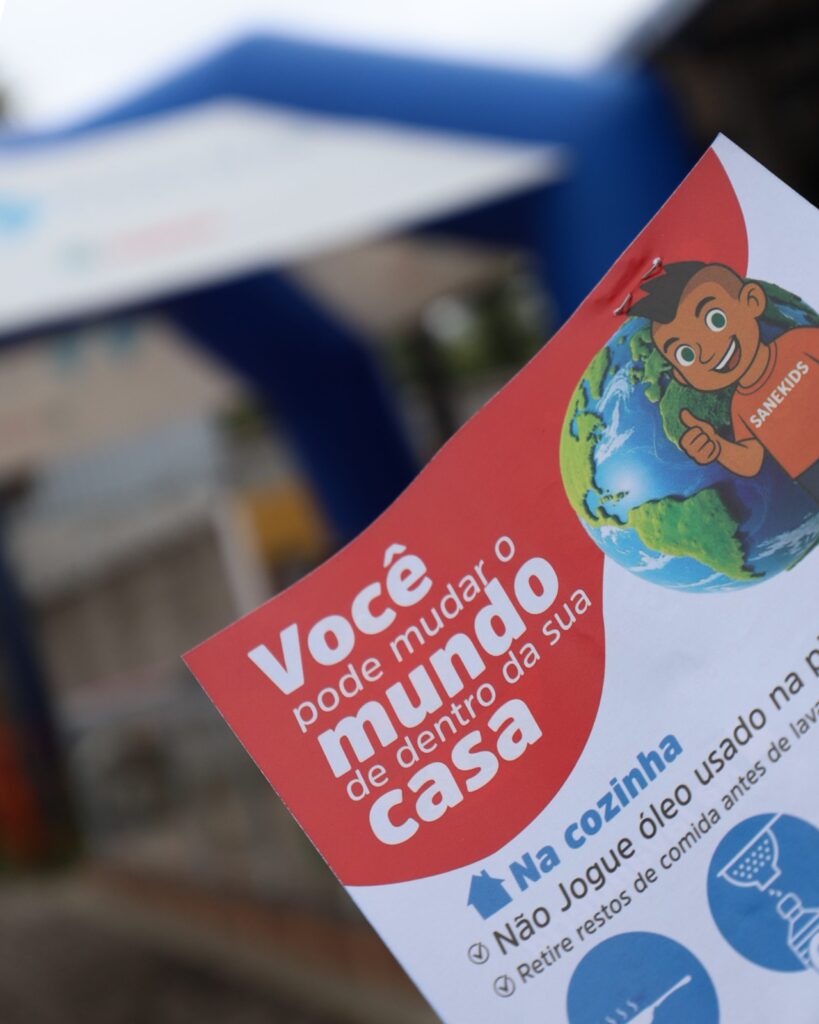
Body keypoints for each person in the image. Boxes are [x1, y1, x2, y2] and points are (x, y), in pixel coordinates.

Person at [631, 261, 819, 503]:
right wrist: (718, 447)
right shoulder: (741, 405)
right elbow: (751, 460)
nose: (709, 353)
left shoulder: (798, 343)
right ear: (682, 376)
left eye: (716, 320)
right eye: (686, 354)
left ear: (751, 301)